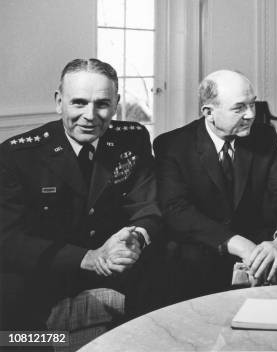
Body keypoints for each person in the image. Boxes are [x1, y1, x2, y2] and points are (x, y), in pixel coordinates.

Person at [0, 59, 162, 329]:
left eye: (101, 104)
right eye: (78, 103)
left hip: (115, 265)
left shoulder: (132, 138)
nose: (90, 115)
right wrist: (87, 258)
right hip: (52, 268)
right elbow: (8, 239)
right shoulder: (19, 155)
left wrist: (134, 238)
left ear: (115, 103)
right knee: (10, 304)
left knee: (173, 264)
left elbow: (148, 206)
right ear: (58, 101)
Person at [154, 70, 277, 298]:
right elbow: (177, 211)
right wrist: (237, 244)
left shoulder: (264, 136)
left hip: (261, 241)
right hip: (204, 247)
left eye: (252, 104)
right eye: (239, 108)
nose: (251, 115)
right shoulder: (172, 145)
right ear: (209, 113)